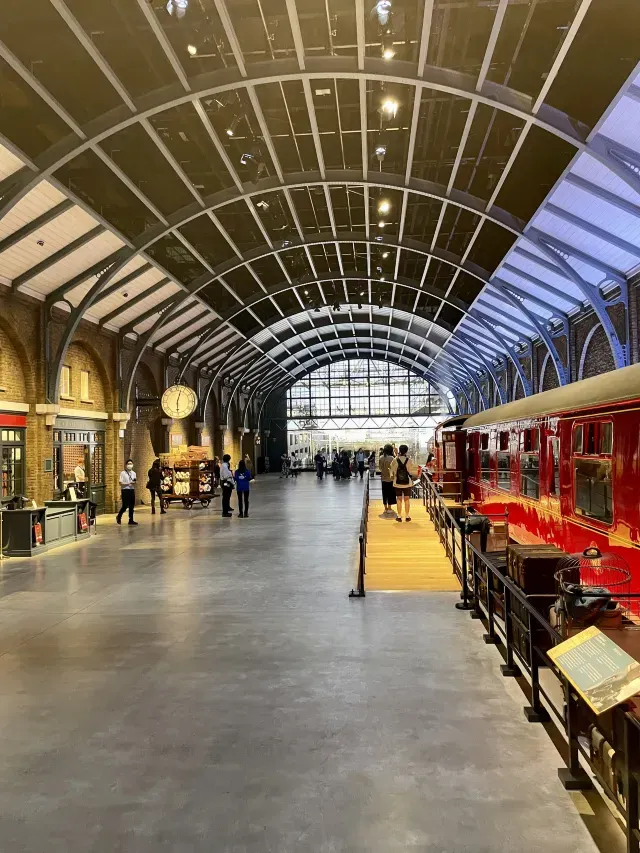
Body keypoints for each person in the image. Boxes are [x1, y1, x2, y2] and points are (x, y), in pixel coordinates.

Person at [389, 444, 420, 522]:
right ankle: (407, 516)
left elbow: (391, 469)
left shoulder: (395, 460)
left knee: (399, 499)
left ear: (399, 450)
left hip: (397, 482)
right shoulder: (409, 460)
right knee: (407, 499)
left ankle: (399, 516)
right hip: (407, 483)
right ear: (406, 451)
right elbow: (410, 470)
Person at [116, 459, 138, 525]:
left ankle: (131, 520)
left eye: (131, 463)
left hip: (132, 490)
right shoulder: (123, 473)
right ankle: (119, 516)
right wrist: (127, 483)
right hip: (125, 490)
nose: (130, 465)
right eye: (128, 464)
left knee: (132, 506)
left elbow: (135, 481)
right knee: (125, 505)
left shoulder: (134, 473)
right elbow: (120, 483)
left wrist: (134, 482)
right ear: (126, 465)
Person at [379, 444, 396, 514]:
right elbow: (394, 469)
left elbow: (380, 468)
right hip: (391, 478)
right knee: (390, 493)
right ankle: (389, 508)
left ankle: (385, 508)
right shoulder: (392, 458)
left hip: (383, 478)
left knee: (384, 493)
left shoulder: (381, 457)